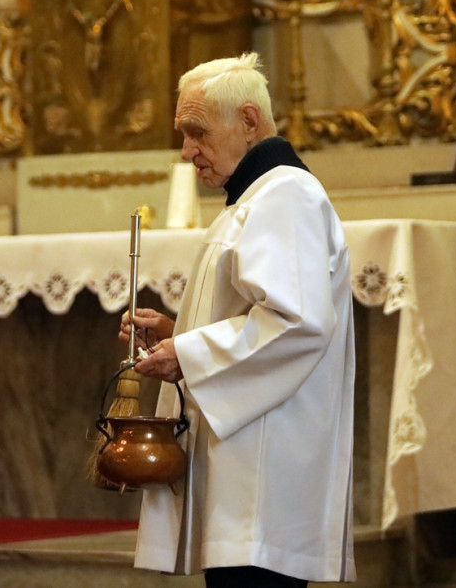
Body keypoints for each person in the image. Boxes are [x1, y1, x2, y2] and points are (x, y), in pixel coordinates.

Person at [119, 53, 356, 587]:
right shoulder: (256, 196)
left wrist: (188, 355)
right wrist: (178, 334)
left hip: (263, 478)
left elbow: (297, 323)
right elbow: (260, 316)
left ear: (248, 122)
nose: (186, 152)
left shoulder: (285, 196)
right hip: (248, 468)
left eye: (197, 132)